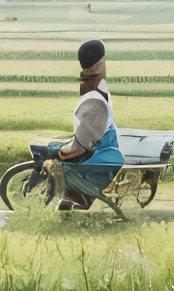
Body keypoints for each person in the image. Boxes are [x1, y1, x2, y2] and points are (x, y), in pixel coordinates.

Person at [52, 38, 122, 211]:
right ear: (101, 64)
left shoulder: (93, 101)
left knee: (57, 158)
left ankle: (73, 199)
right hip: (103, 146)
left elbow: (80, 147)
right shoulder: (101, 91)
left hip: (100, 153)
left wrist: (61, 153)